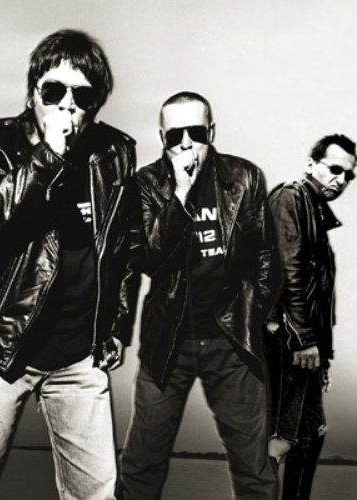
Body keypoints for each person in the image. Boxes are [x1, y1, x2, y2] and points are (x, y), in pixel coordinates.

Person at [0, 29, 139, 500]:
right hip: (3, 347)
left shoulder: (115, 151)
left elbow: (125, 247)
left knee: (96, 494)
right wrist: (48, 157)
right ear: (32, 94)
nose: (67, 105)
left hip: (79, 357)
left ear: (95, 105)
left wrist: (116, 327)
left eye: (82, 96)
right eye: (54, 90)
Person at [119, 91, 278, 500]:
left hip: (231, 342)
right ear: (162, 138)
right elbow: (149, 259)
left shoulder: (244, 178)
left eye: (196, 132)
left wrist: (254, 315)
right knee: (142, 462)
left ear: (212, 132)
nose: (186, 143)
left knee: (253, 466)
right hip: (168, 341)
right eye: (176, 135)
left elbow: (264, 255)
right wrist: (180, 194)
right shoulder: (146, 185)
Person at [265, 134, 356, 499]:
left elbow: (320, 294)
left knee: (310, 434)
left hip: (305, 347)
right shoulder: (291, 198)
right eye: (334, 169)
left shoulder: (315, 210)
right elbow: (288, 271)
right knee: (281, 438)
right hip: (286, 341)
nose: (341, 179)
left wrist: (322, 356)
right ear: (310, 164)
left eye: (349, 175)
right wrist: (303, 339)